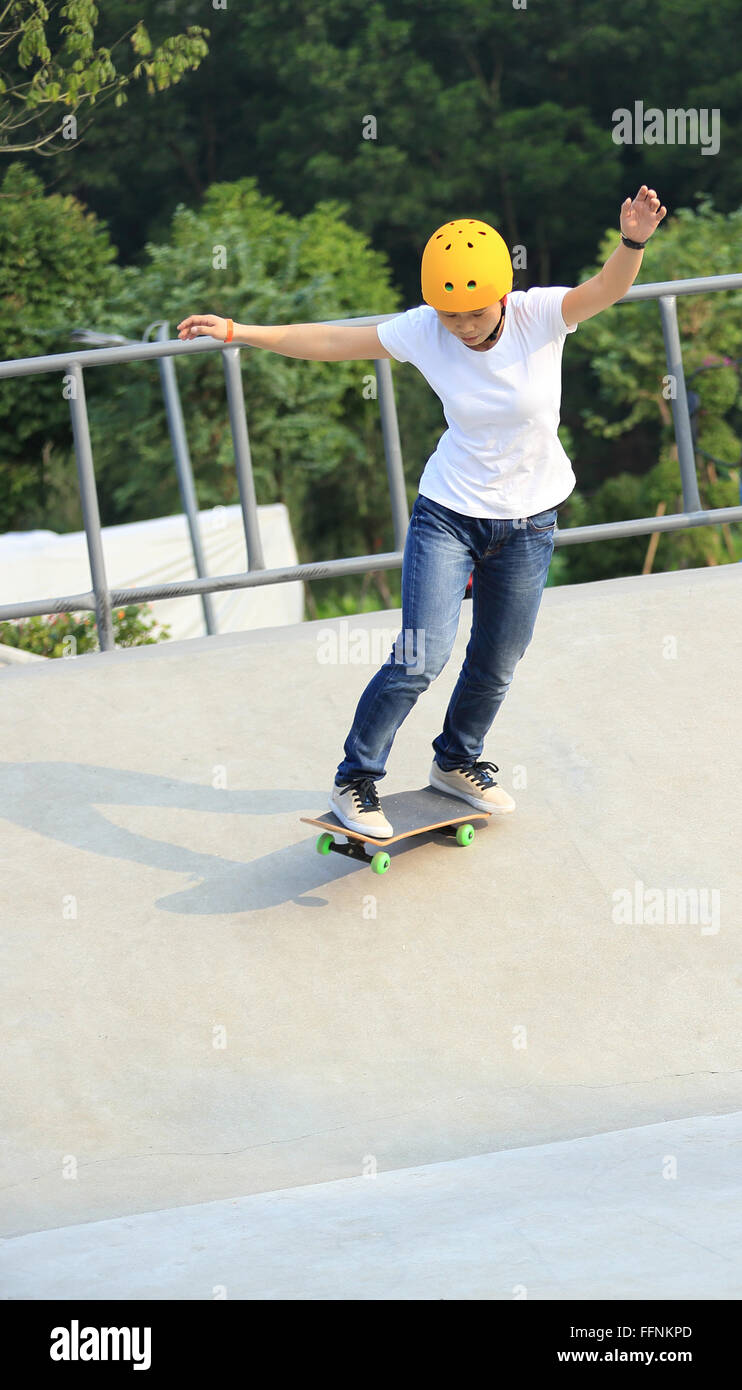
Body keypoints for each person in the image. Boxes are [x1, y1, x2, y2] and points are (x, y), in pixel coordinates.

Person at [178, 186, 667, 838]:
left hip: (531, 522)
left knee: (499, 657)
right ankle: (356, 777)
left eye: (471, 312)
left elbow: (606, 288)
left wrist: (632, 241)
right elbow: (331, 341)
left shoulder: (539, 316)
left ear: (500, 297)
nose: (459, 326)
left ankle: (457, 762)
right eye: (447, 314)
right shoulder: (424, 329)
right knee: (421, 655)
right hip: (449, 515)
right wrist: (241, 332)